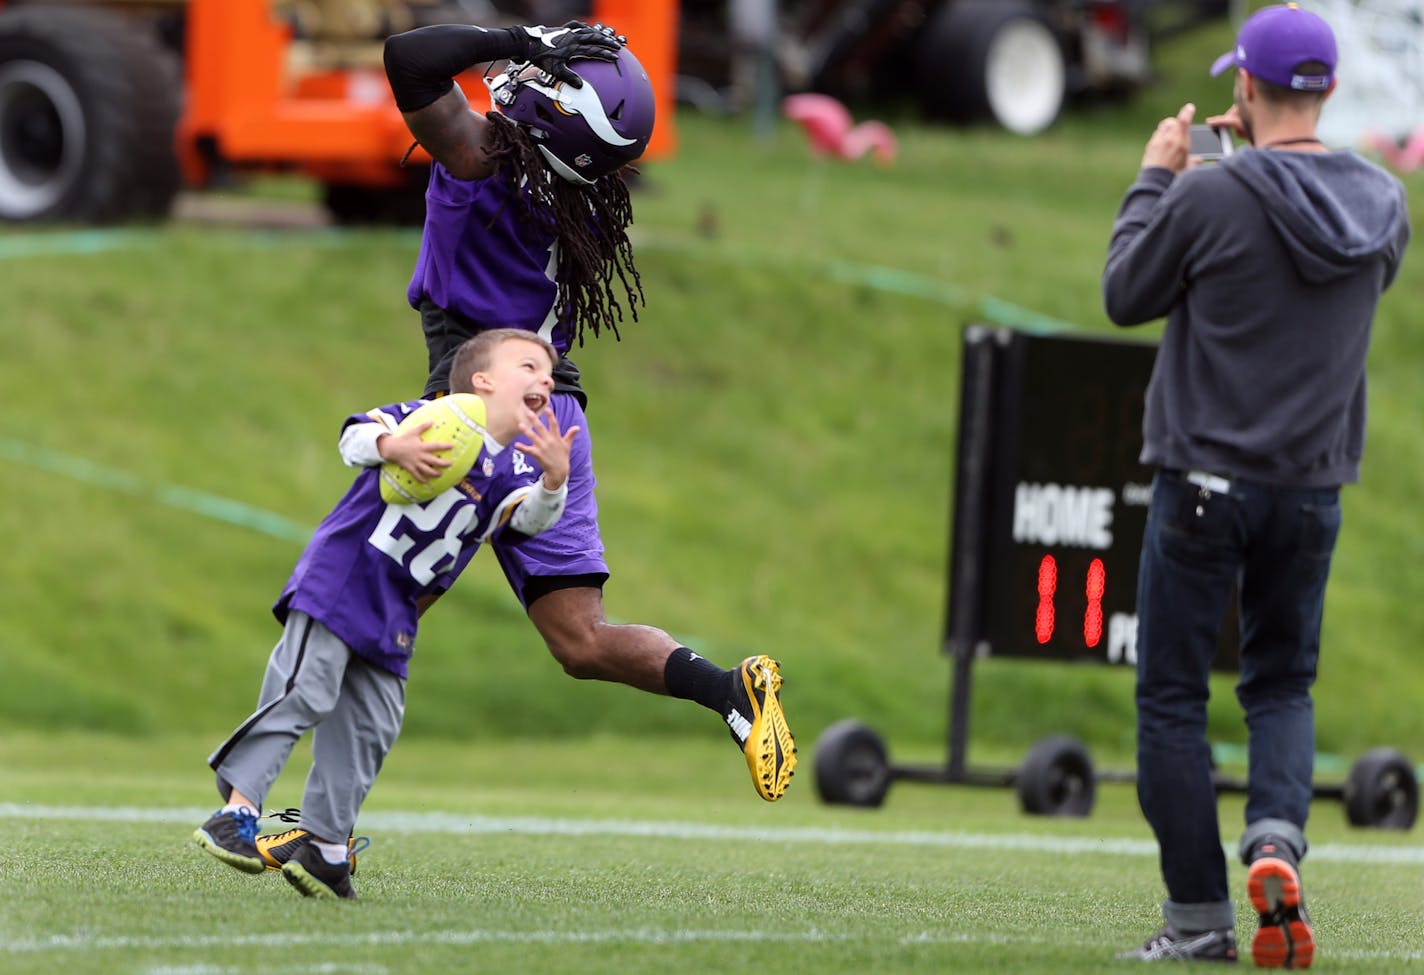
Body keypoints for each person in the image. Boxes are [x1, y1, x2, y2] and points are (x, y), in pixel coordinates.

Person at [374, 20, 798, 804]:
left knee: (372, 605)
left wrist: (510, 36)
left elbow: (409, 59)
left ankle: (287, 811)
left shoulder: (482, 162)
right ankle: (730, 690)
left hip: (481, 407)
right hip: (553, 414)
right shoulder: (590, 198)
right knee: (580, 638)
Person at [1102, 4, 1410, 965]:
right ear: (1326, 89)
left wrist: (1160, 176)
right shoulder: (1384, 206)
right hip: (1311, 491)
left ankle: (1197, 923)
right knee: (1283, 686)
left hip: (1201, 484)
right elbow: (1299, 239)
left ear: (1245, 89)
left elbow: (1124, 293)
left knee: (1174, 704)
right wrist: (1249, 169)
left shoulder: (1204, 199)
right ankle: (1276, 840)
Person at [194, 329, 578, 899]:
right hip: (345, 576)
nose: (544, 379)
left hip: (396, 605)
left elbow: (526, 522)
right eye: (529, 365)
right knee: (305, 690)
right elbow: (355, 435)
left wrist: (554, 480)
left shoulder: (511, 474)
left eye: (548, 374)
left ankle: (324, 852)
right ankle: (238, 813)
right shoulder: (431, 415)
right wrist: (391, 447)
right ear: (483, 380)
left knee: (371, 726)